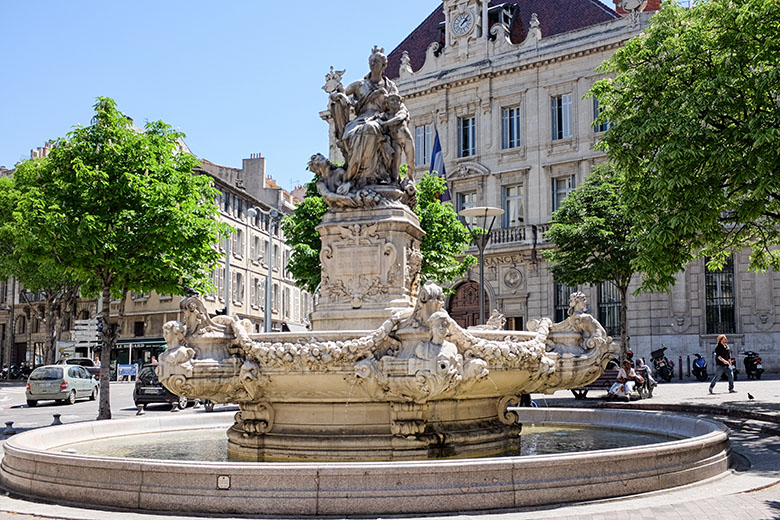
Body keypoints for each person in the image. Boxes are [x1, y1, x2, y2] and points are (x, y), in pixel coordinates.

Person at [379, 93, 415, 184]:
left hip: (407, 139)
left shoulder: (402, 111)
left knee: (410, 161)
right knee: (396, 161)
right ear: (387, 102)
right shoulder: (385, 115)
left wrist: (384, 123)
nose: (395, 102)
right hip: (395, 141)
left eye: (397, 100)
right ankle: (395, 180)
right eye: (392, 100)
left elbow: (399, 119)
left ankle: (411, 178)